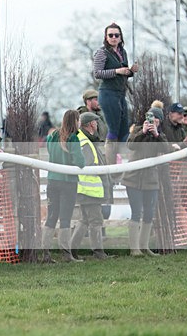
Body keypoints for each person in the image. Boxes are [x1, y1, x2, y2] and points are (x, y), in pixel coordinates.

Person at [122, 107, 171, 256]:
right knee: (136, 212)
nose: (153, 121)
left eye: (156, 118)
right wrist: (142, 132)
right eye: (151, 117)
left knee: (149, 213)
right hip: (133, 178)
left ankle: (144, 247)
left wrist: (156, 134)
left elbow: (166, 149)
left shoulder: (160, 135)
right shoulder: (137, 130)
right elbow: (130, 145)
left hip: (151, 180)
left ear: (160, 121)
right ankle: (134, 248)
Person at [92, 22, 139, 166]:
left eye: (116, 35)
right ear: (106, 37)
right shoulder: (102, 53)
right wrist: (117, 71)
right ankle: (110, 167)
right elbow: (97, 73)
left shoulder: (122, 52)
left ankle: (127, 165)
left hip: (120, 93)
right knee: (113, 129)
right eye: (110, 35)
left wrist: (130, 71)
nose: (113, 37)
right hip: (107, 93)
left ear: (120, 37)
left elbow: (123, 73)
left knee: (124, 129)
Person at [41, 110, 85, 263]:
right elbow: (80, 163)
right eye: (79, 120)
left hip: (52, 181)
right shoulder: (73, 138)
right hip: (68, 183)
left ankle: (45, 253)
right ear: (76, 121)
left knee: (51, 217)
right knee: (65, 218)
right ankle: (66, 254)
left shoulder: (52, 136)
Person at [70, 112, 112, 260]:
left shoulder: (84, 139)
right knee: (95, 221)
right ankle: (98, 252)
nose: (97, 124)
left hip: (85, 189)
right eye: (95, 121)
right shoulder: (86, 142)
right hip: (90, 190)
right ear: (90, 124)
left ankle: (71, 250)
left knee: (84, 220)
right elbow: (87, 165)